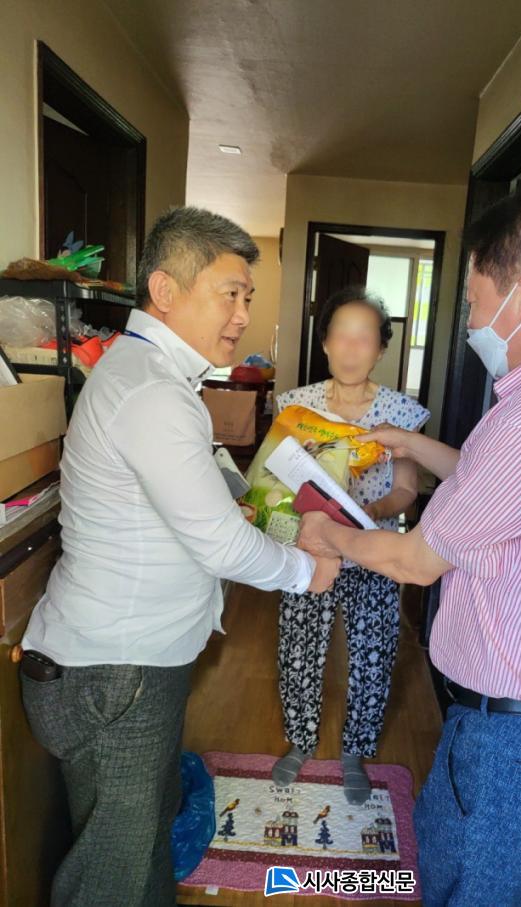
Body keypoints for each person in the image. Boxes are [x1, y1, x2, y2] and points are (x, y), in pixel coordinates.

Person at [297, 188, 521, 906]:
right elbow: (509, 494)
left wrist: (327, 533)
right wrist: (413, 447)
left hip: (518, 755)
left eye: (473, 301)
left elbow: (414, 560)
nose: (469, 321)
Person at [19, 207, 339, 907]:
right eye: (230, 293)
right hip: (116, 671)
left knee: (139, 851)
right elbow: (219, 542)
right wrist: (306, 571)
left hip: (129, 662)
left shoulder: (153, 376)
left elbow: (196, 498)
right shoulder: (151, 390)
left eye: (248, 296)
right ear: (165, 290)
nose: (243, 315)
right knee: (113, 876)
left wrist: (251, 511)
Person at [272, 286, 430, 804]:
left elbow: (406, 491)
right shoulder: (296, 405)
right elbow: (275, 479)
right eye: (341, 335)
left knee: (373, 649)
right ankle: (300, 740)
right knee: (299, 644)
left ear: (381, 349)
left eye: (364, 338)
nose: (351, 348)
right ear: (325, 343)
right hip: (311, 547)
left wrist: (368, 515)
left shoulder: (400, 414)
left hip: (374, 549)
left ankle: (355, 751)